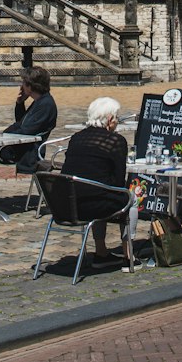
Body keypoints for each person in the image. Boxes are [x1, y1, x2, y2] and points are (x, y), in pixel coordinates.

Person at [61, 96, 135, 268]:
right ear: (110, 120)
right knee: (130, 198)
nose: (117, 122)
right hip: (94, 205)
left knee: (97, 189)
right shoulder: (115, 141)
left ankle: (101, 251)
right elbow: (118, 182)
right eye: (116, 118)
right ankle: (128, 254)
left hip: (67, 204)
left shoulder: (76, 138)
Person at [0, 66, 59, 176]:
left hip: (15, 151)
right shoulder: (40, 101)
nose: (21, 86)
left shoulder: (45, 105)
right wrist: (20, 104)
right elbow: (22, 122)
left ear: (30, 86)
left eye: (24, 82)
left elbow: (25, 131)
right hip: (11, 146)